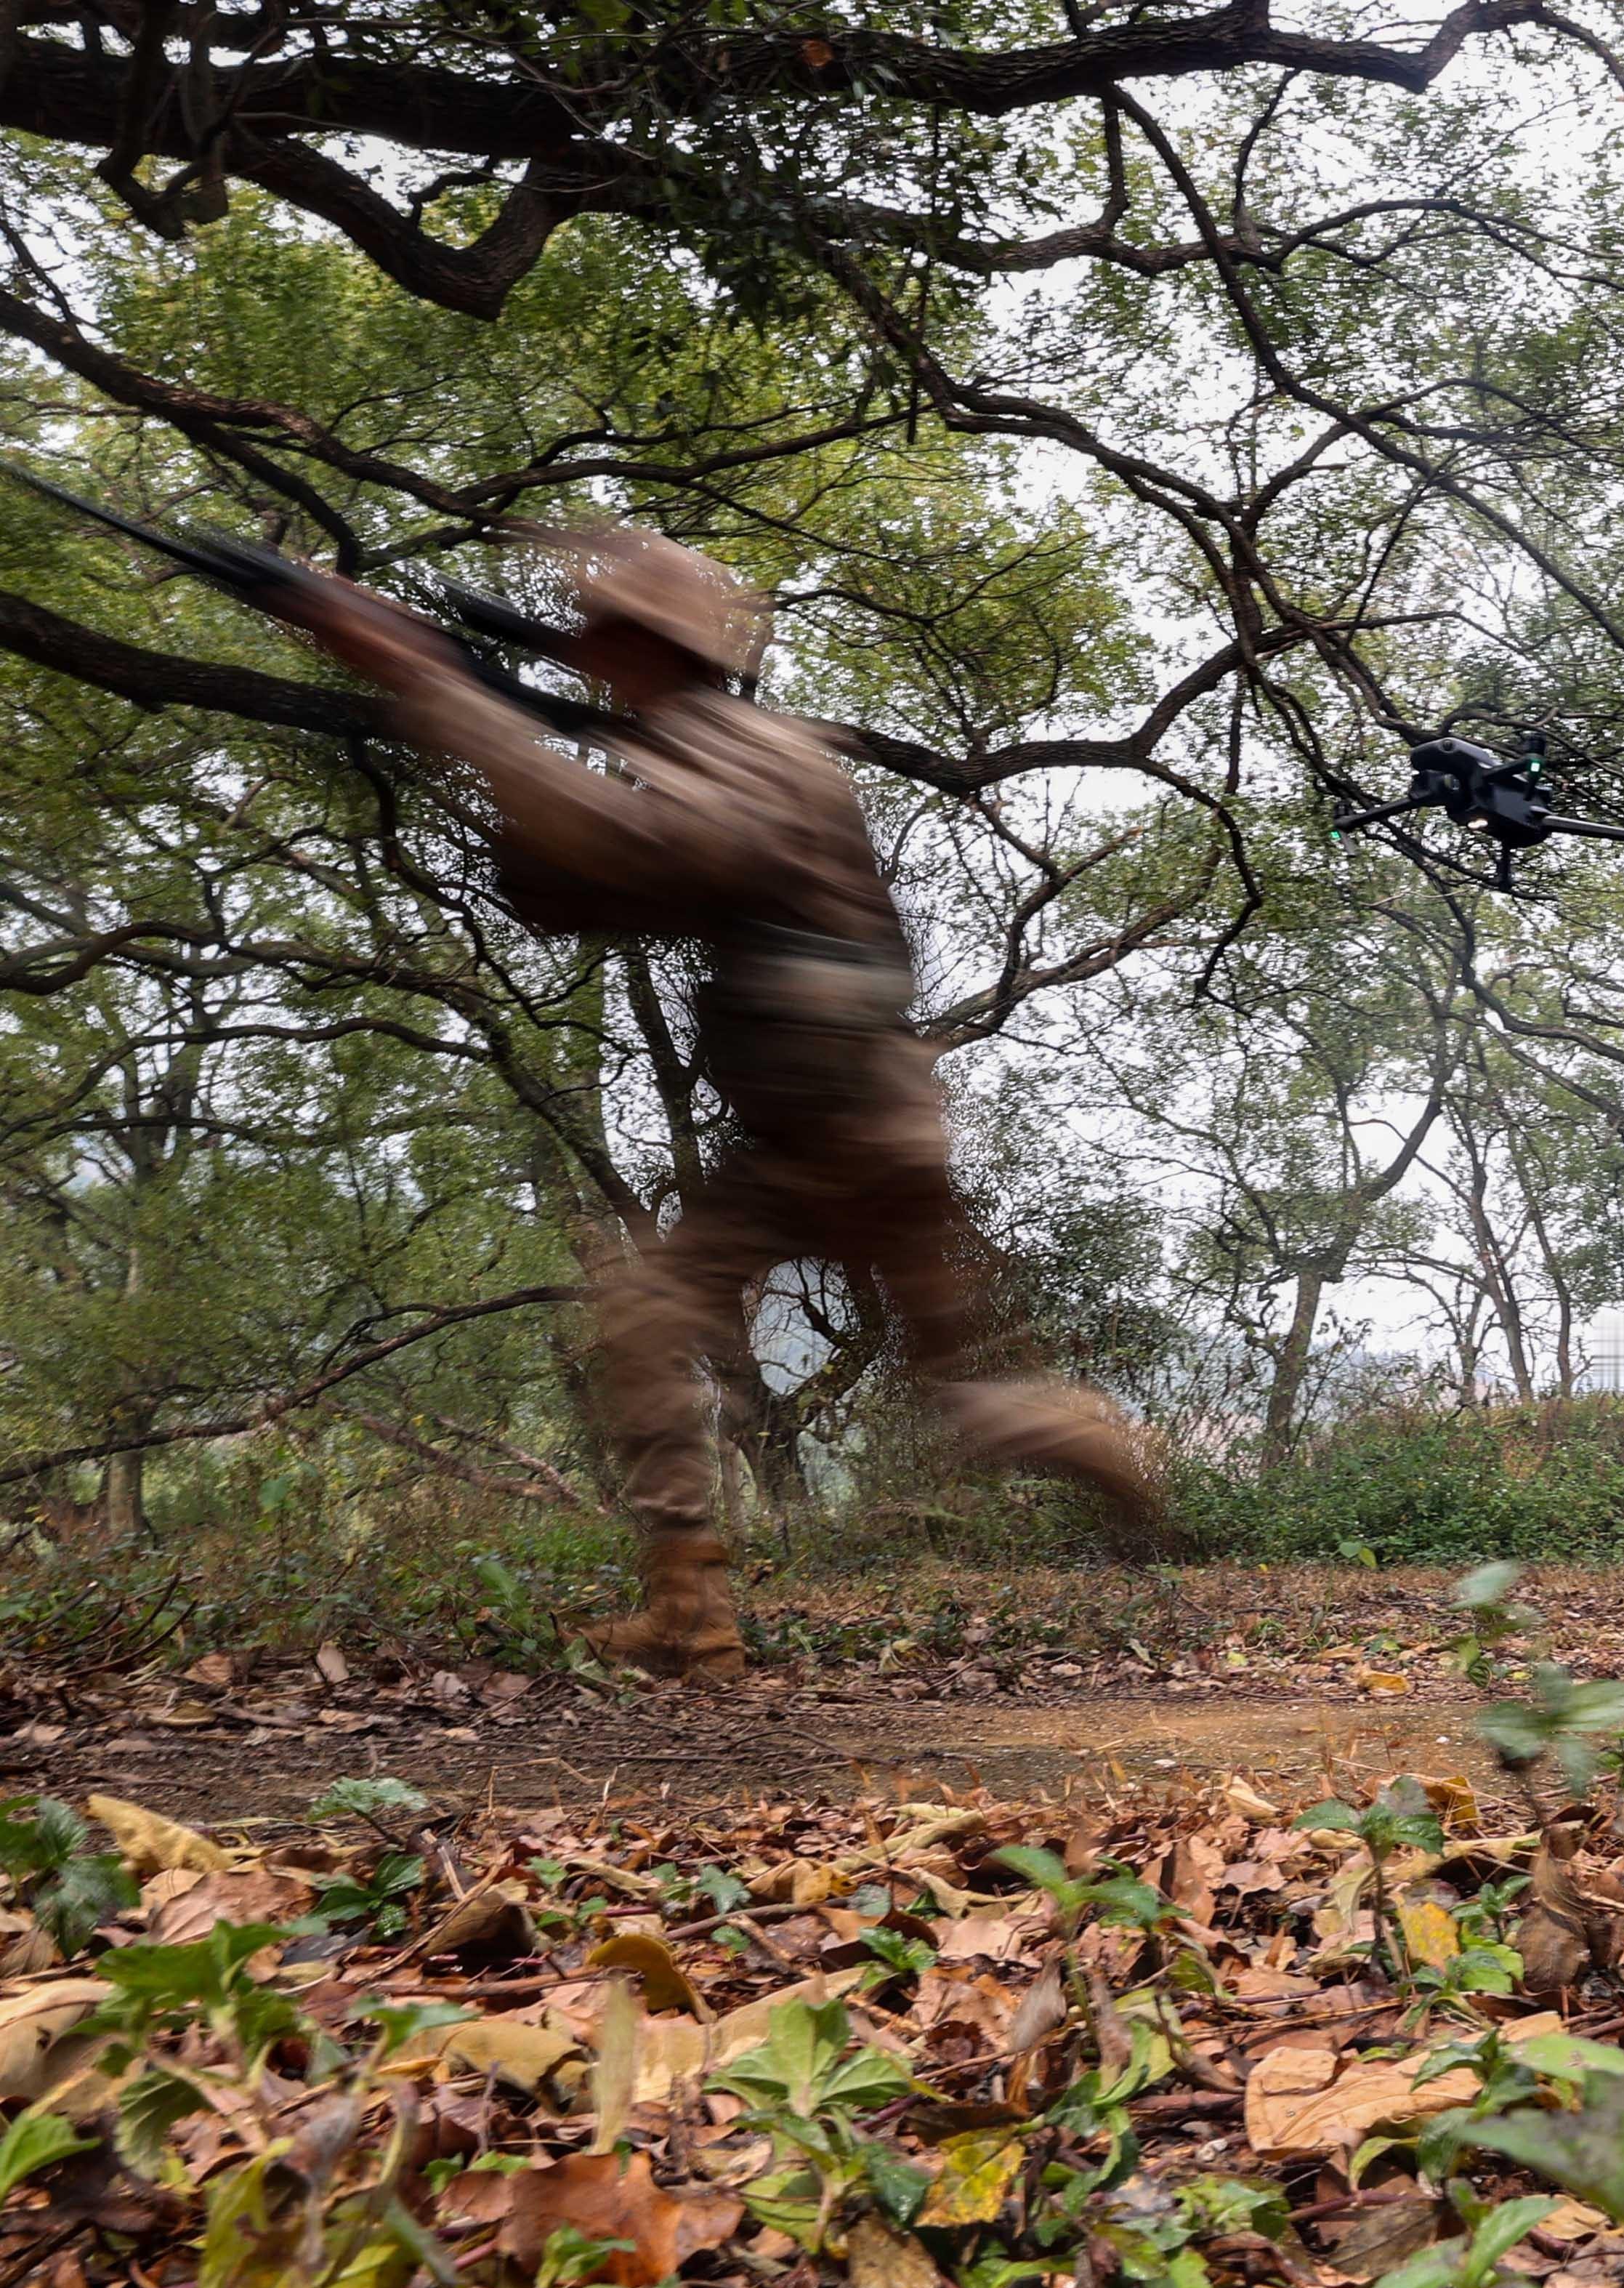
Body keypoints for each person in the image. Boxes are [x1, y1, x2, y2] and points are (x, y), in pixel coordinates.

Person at [286, 528, 1160, 1683]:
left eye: (603, 635)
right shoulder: (727, 743)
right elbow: (568, 886)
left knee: (647, 1320)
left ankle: (692, 1613)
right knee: (970, 1391)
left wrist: (438, 688)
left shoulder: (742, 755)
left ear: (640, 643)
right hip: (865, 1118)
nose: (588, 654)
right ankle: (1085, 1438)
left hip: (827, 1126)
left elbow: (641, 850)